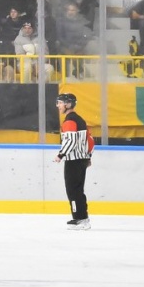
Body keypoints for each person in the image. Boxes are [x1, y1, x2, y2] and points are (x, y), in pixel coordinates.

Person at [54, 92, 94, 230]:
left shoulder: (70, 120)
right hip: (81, 160)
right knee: (78, 189)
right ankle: (83, 217)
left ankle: (79, 219)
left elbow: (70, 140)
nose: (57, 105)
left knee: (72, 190)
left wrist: (61, 154)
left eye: (60, 102)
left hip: (73, 160)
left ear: (68, 104)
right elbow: (90, 141)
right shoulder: (80, 120)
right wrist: (88, 156)